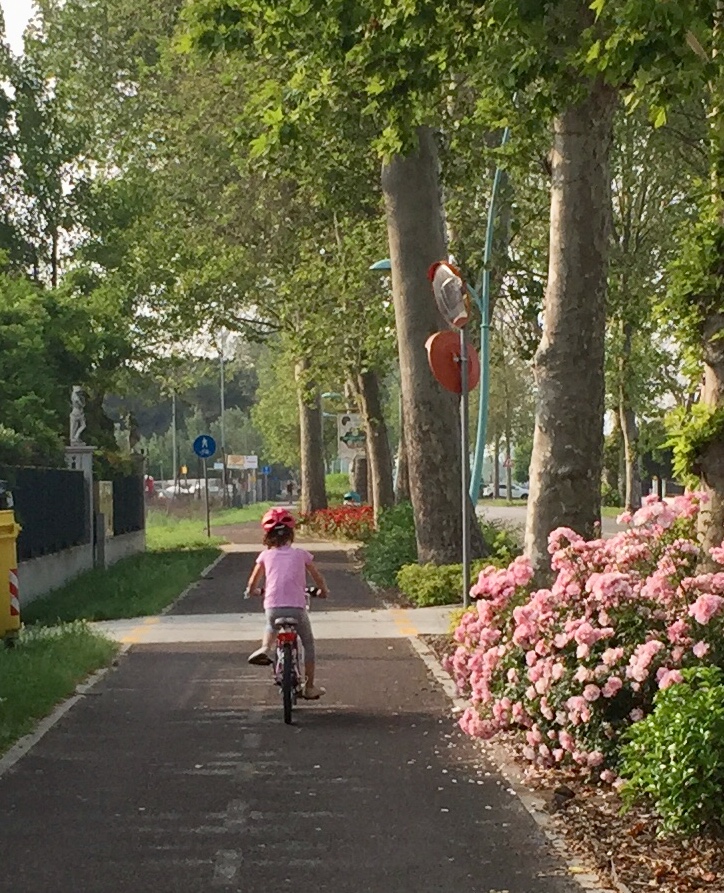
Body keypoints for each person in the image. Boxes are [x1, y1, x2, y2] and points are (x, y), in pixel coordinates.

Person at [245, 507, 329, 699]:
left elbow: (252, 583)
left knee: (270, 624)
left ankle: (265, 648)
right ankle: (309, 687)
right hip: (297, 608)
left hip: (273, 607)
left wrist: (252, 592)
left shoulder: (265, 555)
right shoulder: (301, 554)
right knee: (308, 644)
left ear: (267, 536)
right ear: (291, 533)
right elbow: (317, 576)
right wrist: (323, 591)